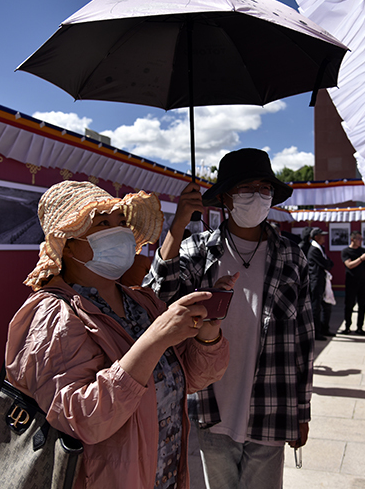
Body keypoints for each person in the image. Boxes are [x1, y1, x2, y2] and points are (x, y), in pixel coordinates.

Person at [4, 180, 229, 489]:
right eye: (102, 224)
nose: (120, 231)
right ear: (68, 244)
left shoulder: (141, 301)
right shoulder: (56, 315)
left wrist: (207, 333)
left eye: (121, 221)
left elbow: (189, 379)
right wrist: (154, 339)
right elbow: (82, 418)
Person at [143, 148, 314, 489]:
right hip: (212, 406)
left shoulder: (292, 257)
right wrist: (178, 226)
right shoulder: (197, 251)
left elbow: (304, 340)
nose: (257, 196)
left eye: (264, 188)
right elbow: (156, 296)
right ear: (224, 198)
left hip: (272, 406)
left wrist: (302, 409)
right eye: (245, 188)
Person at [340, 230, 365, 335]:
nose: (361, 241)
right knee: (349, 305)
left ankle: (360, 327)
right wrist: (361, 258)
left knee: (362, 305)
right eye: (359, 239)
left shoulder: (363, 251)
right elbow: (349, 265)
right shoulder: (346, 251)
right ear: (353, 239)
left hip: (363, 282)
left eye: (361, 239)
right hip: (351, 282)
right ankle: (347, 327)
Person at [307, 227, 334, 341]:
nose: (324, 237)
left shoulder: (320, 248)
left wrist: (328, 263)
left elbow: (329, 263)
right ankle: (316, 332)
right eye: (321, 235)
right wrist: (328, 263)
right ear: (316, 237)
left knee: (326, 305)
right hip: (316, 281)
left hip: (322, 280)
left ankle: (324, 328)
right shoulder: (314, 250)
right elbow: (326, 263)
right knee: (316, 307)